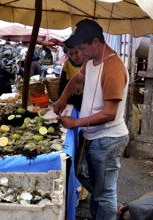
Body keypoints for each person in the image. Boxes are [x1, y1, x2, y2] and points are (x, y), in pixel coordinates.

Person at [53, 19, 129, 220]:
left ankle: (106, 211)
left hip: (108, 138)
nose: (80, 53)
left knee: (105, 195)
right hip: (93, 135)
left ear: (96, 41)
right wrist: (62, 99)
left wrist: (75, 122)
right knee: (81, 172)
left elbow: (109, 113)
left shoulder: (113, 68)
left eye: (82, 47)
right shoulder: (91, 61)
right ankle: (101, 212)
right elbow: (77, 79)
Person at [58, 45, 85, 111]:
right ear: (67, 54)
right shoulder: (67, 65)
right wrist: (61, 100)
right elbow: (62, 86)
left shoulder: (89, 62)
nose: (74, 57)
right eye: (71, 54)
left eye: (76, 52)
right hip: (73, 101)